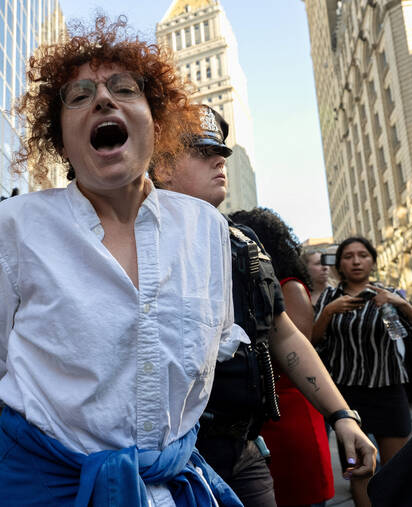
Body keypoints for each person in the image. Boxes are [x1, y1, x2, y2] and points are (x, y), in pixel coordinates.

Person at [0, 16, 247, 506]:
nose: (103, 99)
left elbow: (213, 348)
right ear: (61, 138)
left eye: (124, 88)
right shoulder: (5, 231)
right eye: (79, 96)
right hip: (41, 491)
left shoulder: (208, 229)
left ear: (156, 122)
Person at [155, 105, 375, 506]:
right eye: (201, 152)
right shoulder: (130, 242)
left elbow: (284, 335)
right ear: (162, 166)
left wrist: (342, 416)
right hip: (166, 463)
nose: (220, 159)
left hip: (244, 454)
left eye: (220, 150)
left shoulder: (245, 244)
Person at [230, 208, 334, 507]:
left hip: (291, 408)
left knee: (300, 493)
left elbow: (292, 348)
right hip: (263, 412)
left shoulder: (289, 286)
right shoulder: (248, 286)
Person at [312, 236, 412, 507]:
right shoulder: (330, 297)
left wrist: (402, 304)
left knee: (397, 471)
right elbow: (310, 342)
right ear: (339, 264)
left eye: (363, 255)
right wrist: (327, 312)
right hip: (346, 398)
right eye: (348, 256)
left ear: (372, 260)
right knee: (360, 472)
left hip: (389, 391)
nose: (356, 261)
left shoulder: (391, 292)